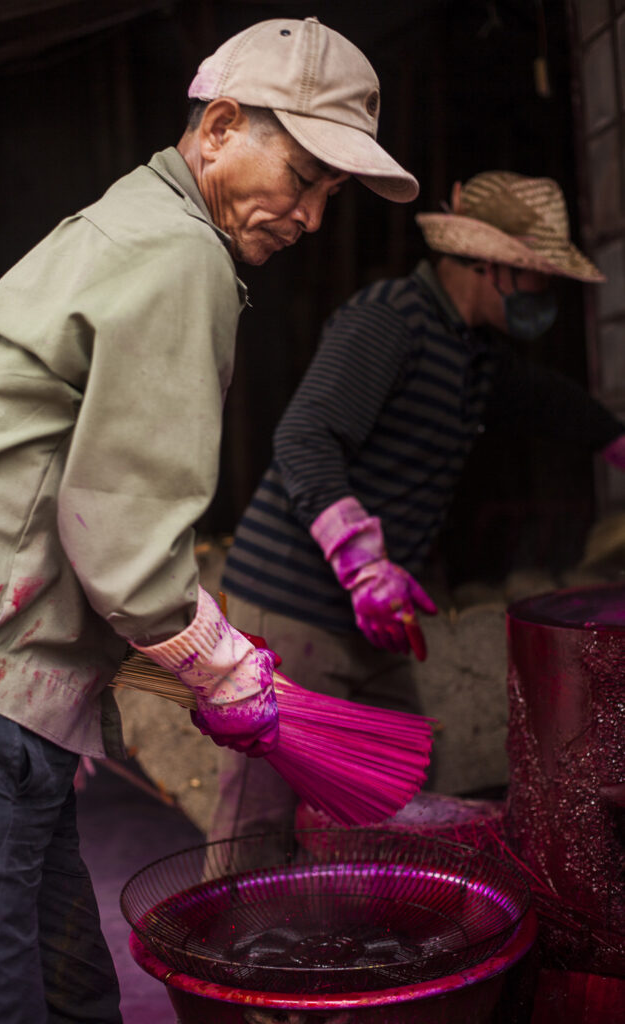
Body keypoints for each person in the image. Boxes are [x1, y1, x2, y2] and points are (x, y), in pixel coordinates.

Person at [0, 16, 419, 1021]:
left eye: (330, 193)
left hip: (1, 692)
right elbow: (121, 543)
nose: (313, 216)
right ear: (220, 128)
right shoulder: (177, 253)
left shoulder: (127, 226)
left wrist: (77, 703)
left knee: (70, 992)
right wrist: (227, 668)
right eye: (304, 174)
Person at [213, 169, 625, 847]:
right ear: (492, 265)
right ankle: (230, 947)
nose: (541, 298)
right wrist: (360, 560)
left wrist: (615, 443)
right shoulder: (391, 319)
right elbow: (305, 435)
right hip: (295, 605)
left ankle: (362, 938)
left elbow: (551, 402)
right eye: (537, 278)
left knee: (398, 785)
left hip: (372, 614)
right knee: (259, 811)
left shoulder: (470, 352)